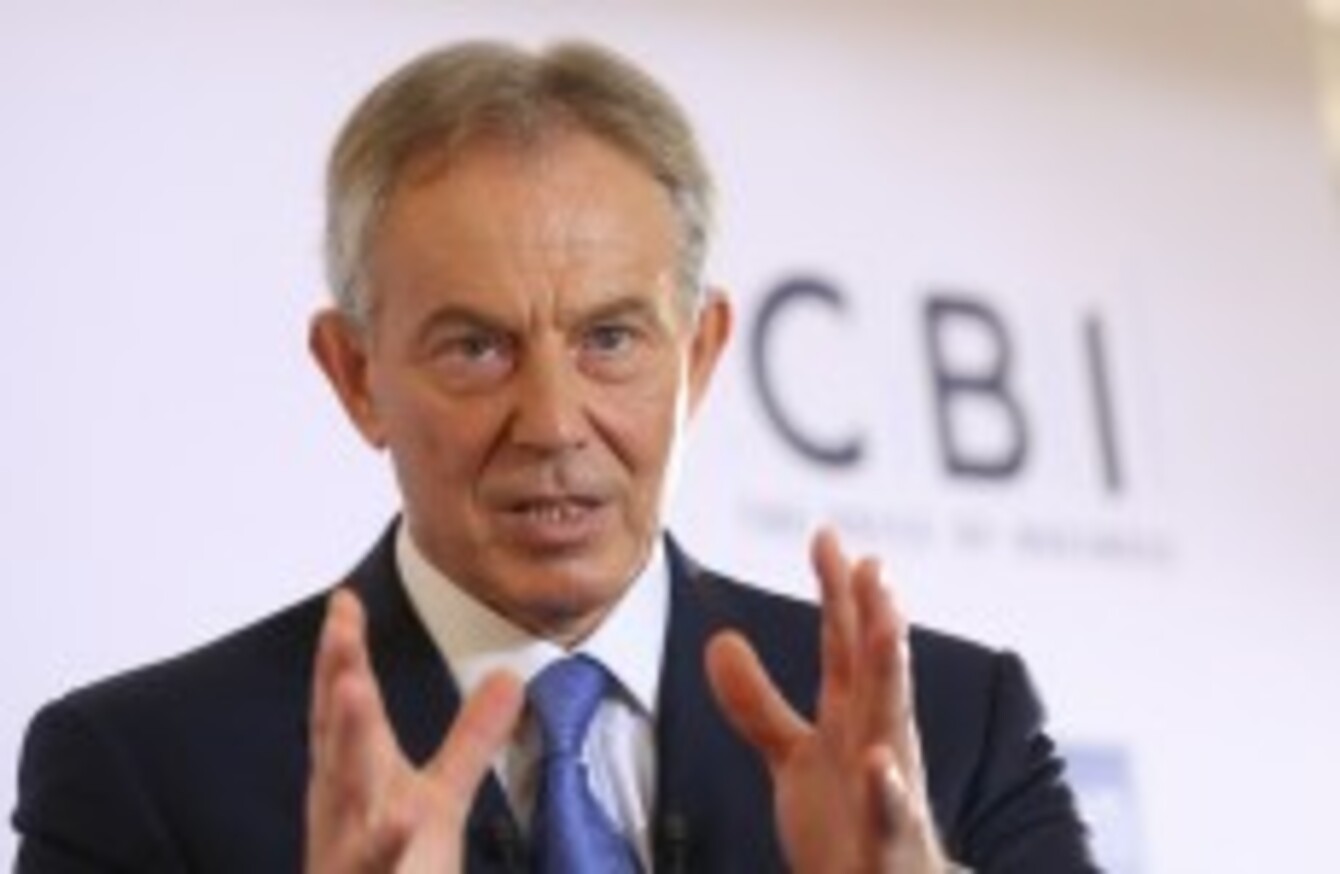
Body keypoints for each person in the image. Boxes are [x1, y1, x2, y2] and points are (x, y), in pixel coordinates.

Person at [12, 40, 1098, 873]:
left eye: (609, 340)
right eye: (475, 347)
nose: (552, 422)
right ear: (354, 375)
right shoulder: (139, 770)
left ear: (701, 356)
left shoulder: (952, 729)